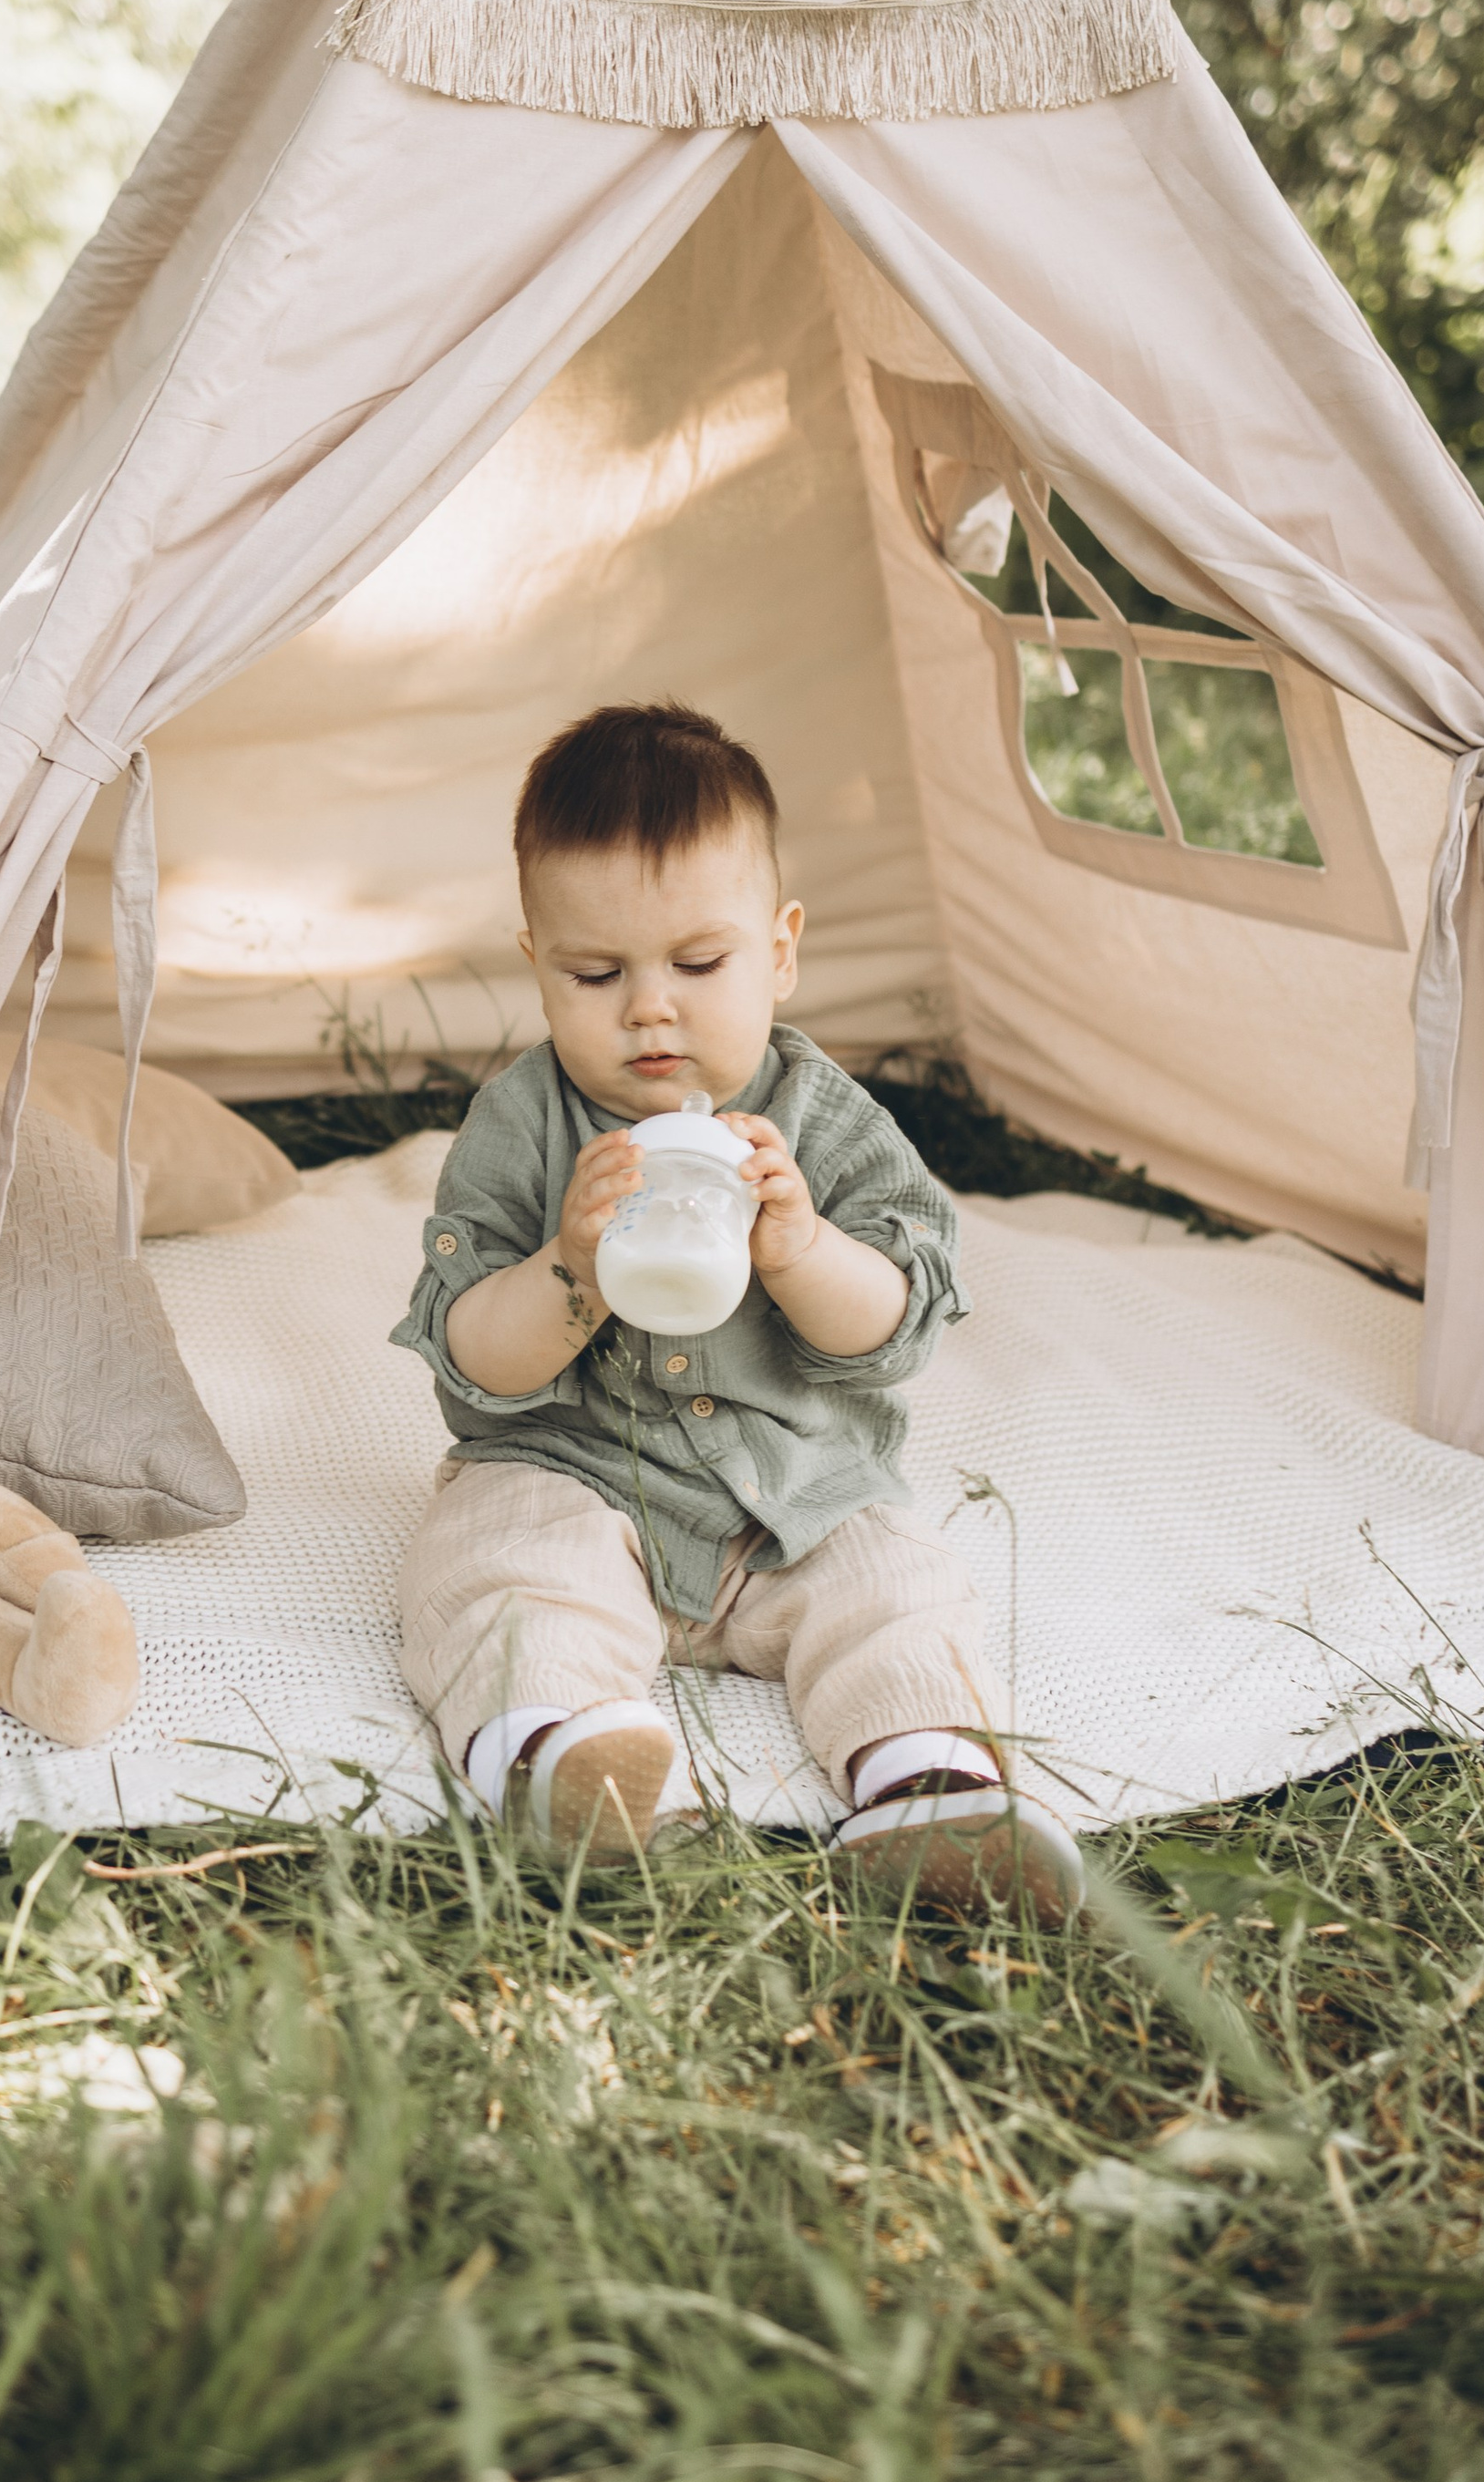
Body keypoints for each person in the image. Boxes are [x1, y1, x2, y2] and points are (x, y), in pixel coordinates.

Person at [389, 700, 1082, 1915]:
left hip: (792, 1496)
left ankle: (934, 1787)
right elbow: (475, 1361)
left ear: (780, 950)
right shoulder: (521, 1122)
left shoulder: (830, 1123)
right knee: (495, 1559)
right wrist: (570, 1268)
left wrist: (804, 1249)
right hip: (579, 1473)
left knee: (897, 1582)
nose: (648, 1008)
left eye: (699, 966)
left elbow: (895, 1328)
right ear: (538, 964)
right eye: (595, 974)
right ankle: (555, 1753)